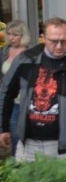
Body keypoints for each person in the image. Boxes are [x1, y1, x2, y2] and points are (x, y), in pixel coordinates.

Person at [0, 17, 66, 160]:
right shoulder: (26, 60)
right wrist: (3, 128)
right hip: (28, 146)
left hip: (65, 149)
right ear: (43, 38)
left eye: (64, 41)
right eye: (53, 41)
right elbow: (6, 91)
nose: (59, 46)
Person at [0, 21, 31, 155]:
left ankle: (20, 163)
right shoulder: (4, 51)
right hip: (7, 100)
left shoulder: (30, 54)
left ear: (23, 36)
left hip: (21, 102)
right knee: (10, 134)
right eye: (9, 34)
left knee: (18, 136)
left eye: (15, 35)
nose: (11, 38)